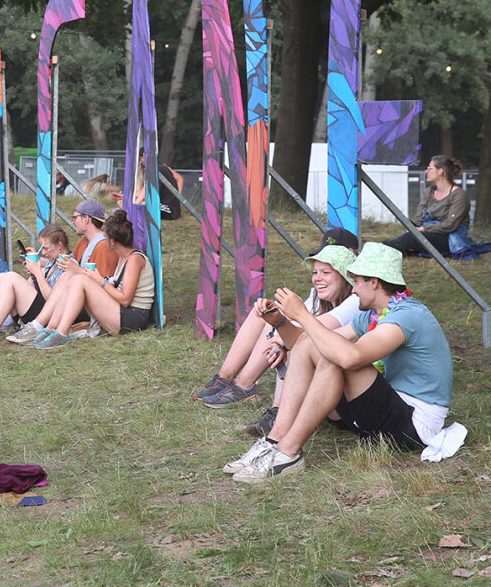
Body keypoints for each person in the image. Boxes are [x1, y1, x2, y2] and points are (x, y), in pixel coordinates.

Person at [222, 243, 461, 483]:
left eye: (356, 281)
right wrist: (280, 321)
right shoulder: (371, 316)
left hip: (414, 426)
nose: (354, 290)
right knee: (315, 344)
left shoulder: (407, 315)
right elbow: (305, 345)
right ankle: (273, 442)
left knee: (335, 358)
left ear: (374, 282)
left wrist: (303, 315)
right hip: (390, 413)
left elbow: (350, 358)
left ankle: (288, 452)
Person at [196, 229, 360, 436]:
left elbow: (311, 329)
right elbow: (301, 323)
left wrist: (280, 339)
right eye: (315, 272)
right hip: (326, 381)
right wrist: (277, 334)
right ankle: (227, 379)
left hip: (343, 395)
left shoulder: (356, 301)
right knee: (269, 314)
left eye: (326, 272)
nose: (318, 278)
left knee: (291, 340)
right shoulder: (322, 295)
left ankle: (266, 404)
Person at [29, 209, 154, 349]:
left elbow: (125, 299)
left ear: (112, 242)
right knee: (74, 278)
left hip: (132, 319)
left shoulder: (134, 259)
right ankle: (51, 329)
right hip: (122, 313)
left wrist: (99, 280)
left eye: (104, 237)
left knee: (80, 280)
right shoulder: (123, 257)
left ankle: (61, 333)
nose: (103, 240)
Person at [5, 198, 119, 345]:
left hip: (87, 307)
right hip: (73, 299)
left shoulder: (104, 246)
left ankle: (37, 326)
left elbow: (102, 287)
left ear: (86, 219)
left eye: (75, 217)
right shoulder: (83, 242)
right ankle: (33, 326)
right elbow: (64, 263)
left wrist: (74, 270)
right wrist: (40, 261)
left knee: (66, 276)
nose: (73, 221)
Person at [0, 224, 69, 345]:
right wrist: (34, 262)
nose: (43, 252)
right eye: (41, 248)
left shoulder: (68, 266)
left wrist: (38, 273)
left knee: (11, 277)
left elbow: (53, 300)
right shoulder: (54, 261)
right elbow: (47, 265)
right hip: (36, 309)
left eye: (46, 248)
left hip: (48, 315)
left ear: (59, 245)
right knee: (1, 277)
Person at [384, 155, 470, 255]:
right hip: (429, 233)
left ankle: (382, 248)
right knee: (407, 238)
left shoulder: (459, 195)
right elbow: (419, 217)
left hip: (450, 238)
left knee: (410, 239)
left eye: (429, 168)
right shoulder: (428, 192)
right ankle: (385, 249)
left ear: (440, 171)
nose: (426, 171)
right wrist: (411, 227)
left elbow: (450, 225)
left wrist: (423, 229)